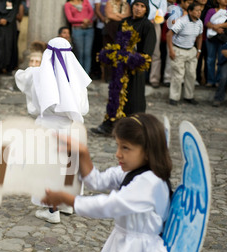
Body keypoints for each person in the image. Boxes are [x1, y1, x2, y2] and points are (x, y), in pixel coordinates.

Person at [41, 113, 207, 252]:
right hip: (124, 246)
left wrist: (67, 199)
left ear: (147, 151)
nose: (118, 153)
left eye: (126, 148)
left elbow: (111, 204)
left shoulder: (150, 182)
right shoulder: (132, 171)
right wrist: (83, 152)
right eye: (118, 146)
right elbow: (97, 181)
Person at [15, 36, 91, 224]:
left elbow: (21, 78)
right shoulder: (76, 77)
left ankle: (51, 209)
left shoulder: (38, 74)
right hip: (70, 128)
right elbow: (84, 109)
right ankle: (66, 204)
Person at [91, 0, 155, 135]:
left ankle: (133, 129)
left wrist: (131, 59)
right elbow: (118, 45)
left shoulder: (147, 26)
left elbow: (147, 54)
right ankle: (110, 125)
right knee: (115, 96)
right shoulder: (124, 22)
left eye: (142, 6)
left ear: (146, 9)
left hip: (135, 70)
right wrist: (113, 55)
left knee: (134, 99)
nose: (138, 8)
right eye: (136, 5)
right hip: (120, 68)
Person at [167, 2, 203, 105]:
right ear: (190, 11)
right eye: (196, 10)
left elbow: (200, 36)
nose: (199, 12)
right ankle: (174, 97)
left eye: (200, 10)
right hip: (179, 50)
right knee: (178, 75)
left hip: (191, 50)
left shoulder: (199, 23)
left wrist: (199, 50)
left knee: (191, 74)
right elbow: (169, 35)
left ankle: (189, 96)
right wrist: (171, 50)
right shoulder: (182, 21)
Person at [204, 0, 227, 87]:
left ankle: (218, 81)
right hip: (211, 38)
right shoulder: (211, 11)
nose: (226, 0)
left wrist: (217, 26)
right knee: (210, 59)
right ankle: (210, 81)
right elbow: (206, 22)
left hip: (224, 39)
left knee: (221, 60)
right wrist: (215, 28)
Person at [64, 0, 95, 75]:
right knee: (79, 53)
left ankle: (86, 74)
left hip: (89, 29)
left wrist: (87, 21)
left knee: (87, 53)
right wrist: (83, 20)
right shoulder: (68, 5)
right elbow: (70, 19)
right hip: (77, 30)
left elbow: (91, 12)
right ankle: (79, 75)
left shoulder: (85, 2)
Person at [102, 0, 130, 81]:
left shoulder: (126, 4)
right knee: (109, 52)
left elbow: (128, 16)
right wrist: (121, 16)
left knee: (121, 52)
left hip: (122, 30)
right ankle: (109, 77)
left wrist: (116, 15)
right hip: (110, 30)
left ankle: (120, 75)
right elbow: (109, 15)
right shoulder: (109, 3)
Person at [0, 0, 20, 74]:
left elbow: (15, 9)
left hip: (10, 26)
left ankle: (8, 67)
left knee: (9, 45)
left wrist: (7, 19)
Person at [147, 0, 167, 88]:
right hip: (139, 22)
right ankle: (137, 77)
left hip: (155, 24)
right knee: (138, 50)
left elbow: (163, 9)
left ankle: (154, 79)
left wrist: (155, 19)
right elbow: (133, 5)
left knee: (155, 52)